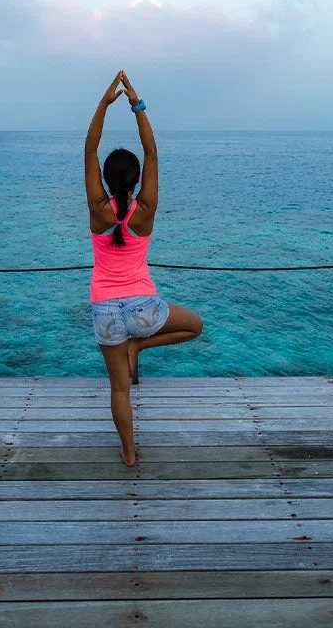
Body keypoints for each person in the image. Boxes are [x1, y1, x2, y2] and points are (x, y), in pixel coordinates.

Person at [85, 70, 203, 466]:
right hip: (144, 309)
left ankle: (130, 454)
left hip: (105, 310)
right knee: (195, 326)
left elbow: (90, 149)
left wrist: (104, 103)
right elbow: (152, 153)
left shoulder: (98, 210)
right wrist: (137, 105)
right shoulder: (146, 210)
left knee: (119, 389)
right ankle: (140, 343)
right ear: (136, 181)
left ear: (104, 179)